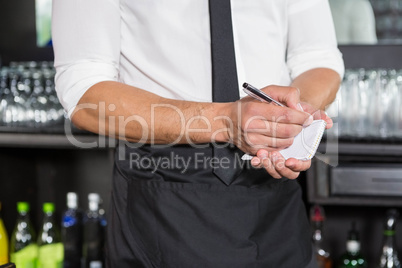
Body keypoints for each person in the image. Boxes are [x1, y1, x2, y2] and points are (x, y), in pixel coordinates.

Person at [52, 0, 344, 267]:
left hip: (277, 196)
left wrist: (288, 117)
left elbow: (318, 59)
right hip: (165, 196)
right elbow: (83, 89)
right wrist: (226, 121)